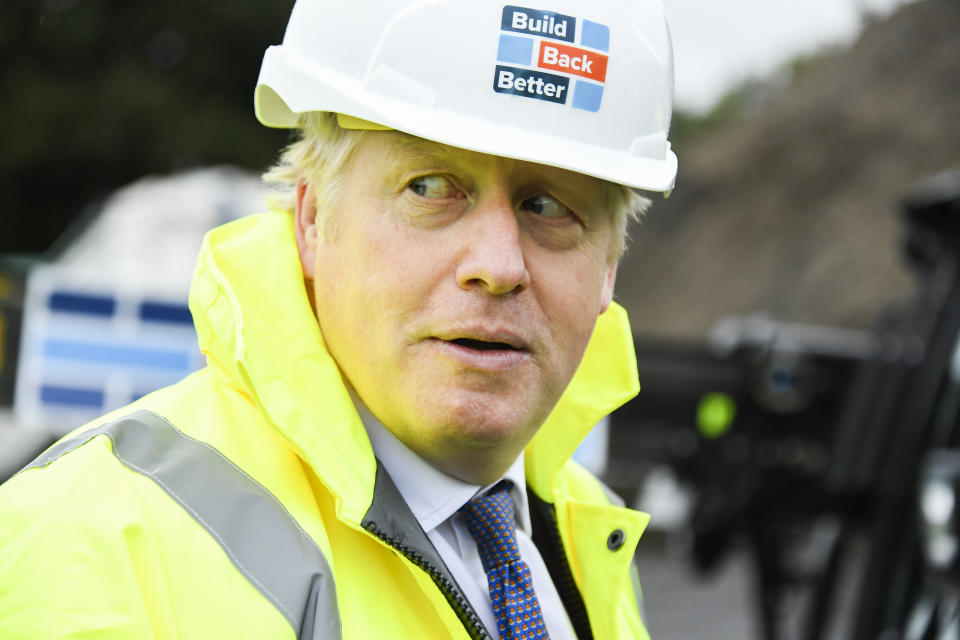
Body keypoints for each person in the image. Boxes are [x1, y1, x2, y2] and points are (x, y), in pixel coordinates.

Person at [0, 0, 677, 638]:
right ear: (313, 219)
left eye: (548, 207)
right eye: (431, 188)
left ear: (609, 268)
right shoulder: (90, 541)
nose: (499, 265)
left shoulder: (587, 536)